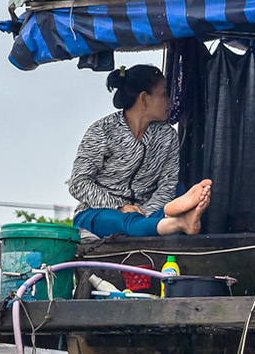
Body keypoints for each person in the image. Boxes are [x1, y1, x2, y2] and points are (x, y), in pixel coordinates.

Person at [69, 64, 212, 238]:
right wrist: (119, 207)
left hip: (147, 213)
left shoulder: (167, 136)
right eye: (164, 94)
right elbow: (78, 183)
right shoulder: (103, 130)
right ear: (144, 98)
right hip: (97, 214)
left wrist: (143, 213)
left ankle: (164, 217)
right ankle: (175, 220)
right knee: (124, 222)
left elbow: (167, 186)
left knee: (142, 218)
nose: (170, 101)